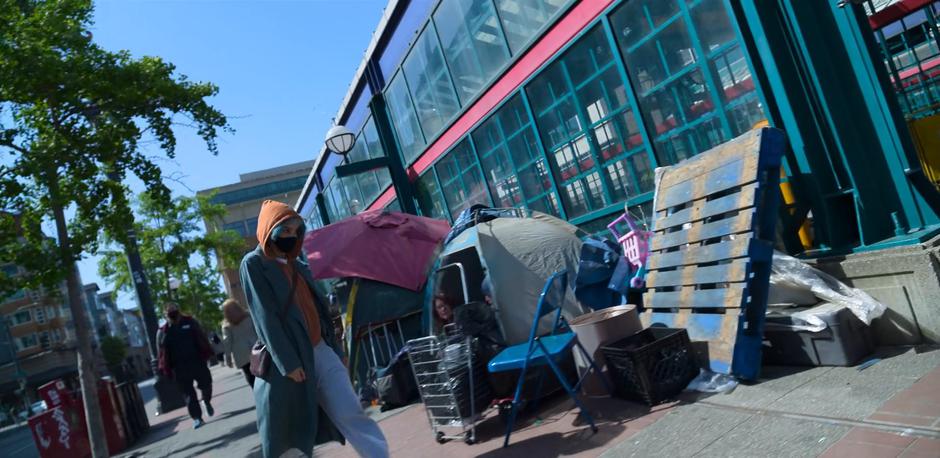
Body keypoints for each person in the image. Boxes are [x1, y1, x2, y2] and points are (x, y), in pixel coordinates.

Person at [240, 200, 388, 458]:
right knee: (288, 432)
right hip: (290, 360)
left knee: (350, 409)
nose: (291, 236)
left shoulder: (297, 264)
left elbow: (320, 311)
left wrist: (335, 349)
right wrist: (288, 361)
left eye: (296, 230)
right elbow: (266, 317)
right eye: (284, 230)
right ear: (268, 231)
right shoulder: (253, 264)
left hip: (321, 349)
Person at [156, 303, 214, 429]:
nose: (172, 313)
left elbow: (202, 337)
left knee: (206, 384)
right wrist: (164, 368)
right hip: (179, 368)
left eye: (174, 310)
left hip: (197, 361)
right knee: (188, 394)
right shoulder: (163, 332)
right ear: (165, 315)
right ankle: (197, 418)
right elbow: (160, 352)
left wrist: (207, 352)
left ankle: (206, 400)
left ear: (179, 310)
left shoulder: (190, 322)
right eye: (169, 312)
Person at [220, 298, 258, 389]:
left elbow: (227, 342)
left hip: (242, 355)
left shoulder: (226, 326)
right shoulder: (249, 315)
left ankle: (259, 395)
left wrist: (228, 358)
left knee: (250, 376)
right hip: (256, 349)